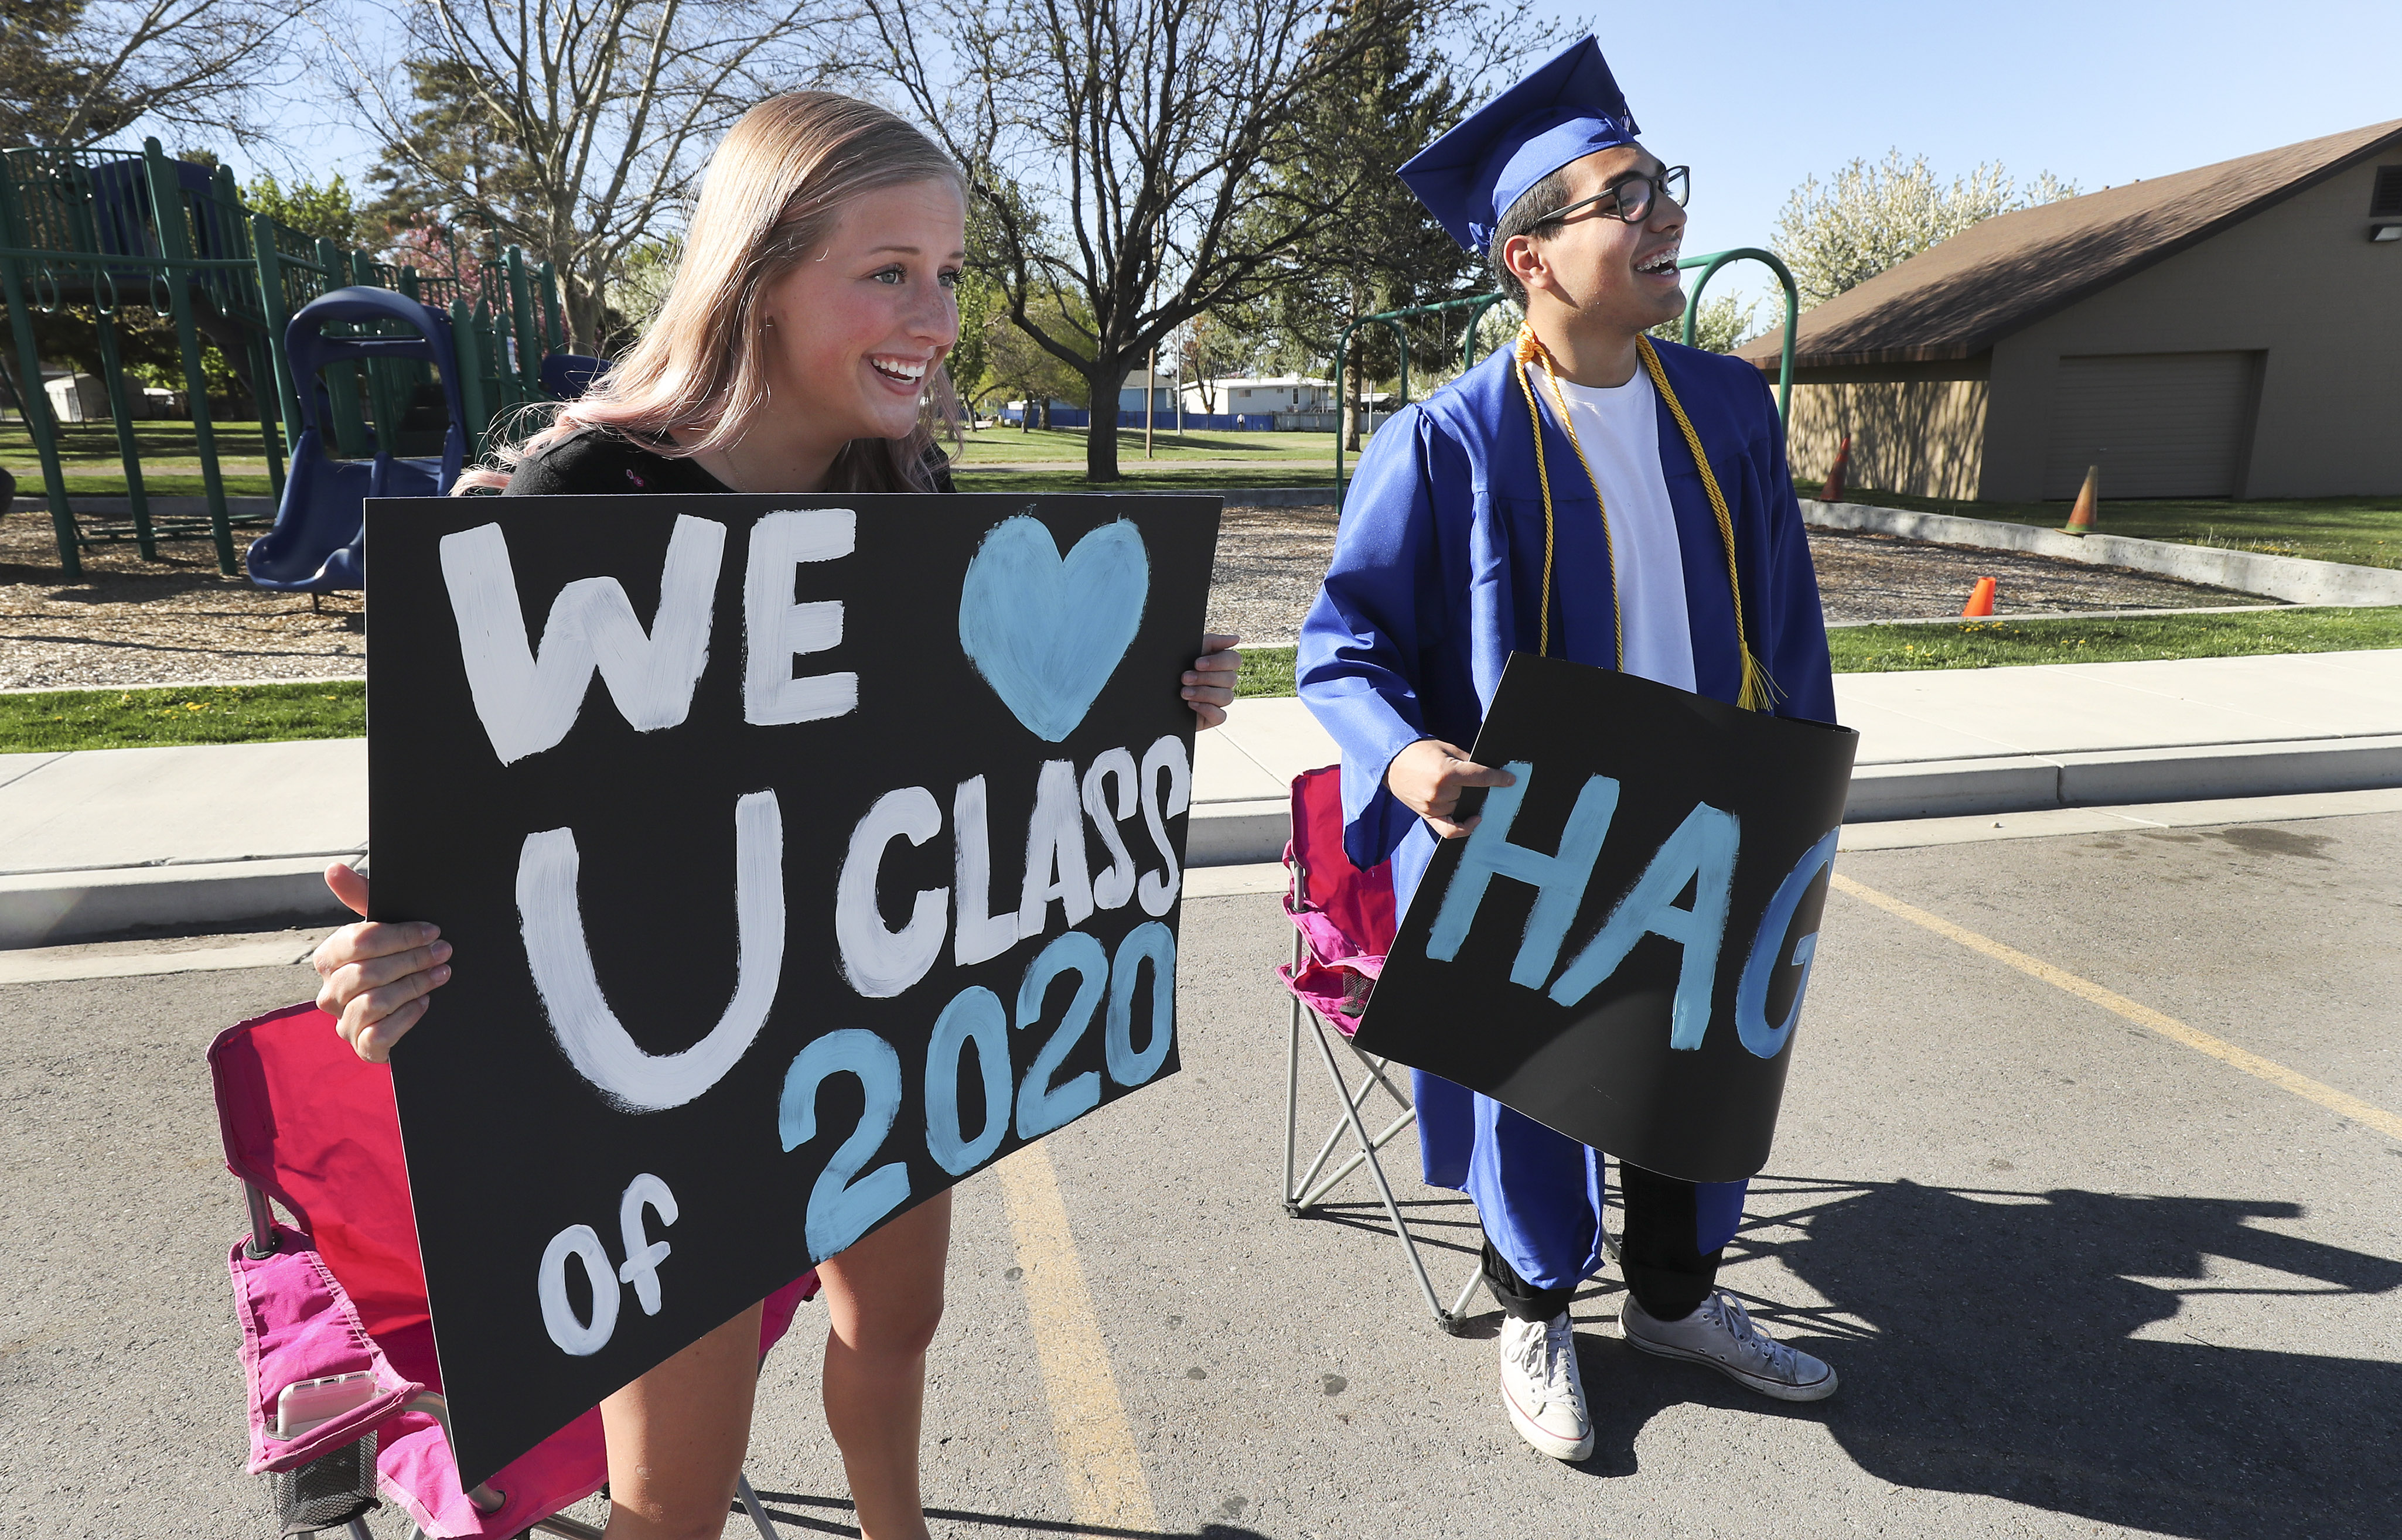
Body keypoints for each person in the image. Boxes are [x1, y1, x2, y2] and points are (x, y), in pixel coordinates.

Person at [309, 91, 1240, 1540]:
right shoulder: (562, 506)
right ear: (752, 272)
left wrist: (1152, 697)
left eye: (946, 274)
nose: (933, 317)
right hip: (655, 1094)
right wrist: (389, 974)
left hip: (883, 1020)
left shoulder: (913, 488)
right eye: (887, 270)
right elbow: (447, 859)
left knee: (898, 1322)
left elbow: (984, 750)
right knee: (669, 1501)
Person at [1295, 36, 1840, 1465]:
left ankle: (1672, 1301)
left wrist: (1802, 781)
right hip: (1532, 827)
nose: (1664, 215)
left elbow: (1785, 618)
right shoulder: (1447, 442)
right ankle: (1537, 1305)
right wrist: (1407, 762)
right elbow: (1338, 649)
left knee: (1694, 1071)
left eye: (1664, 185)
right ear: (1528, 255)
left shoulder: (1723, 407)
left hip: (1710, 813)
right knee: (1538, 1085)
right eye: (1625, 196)